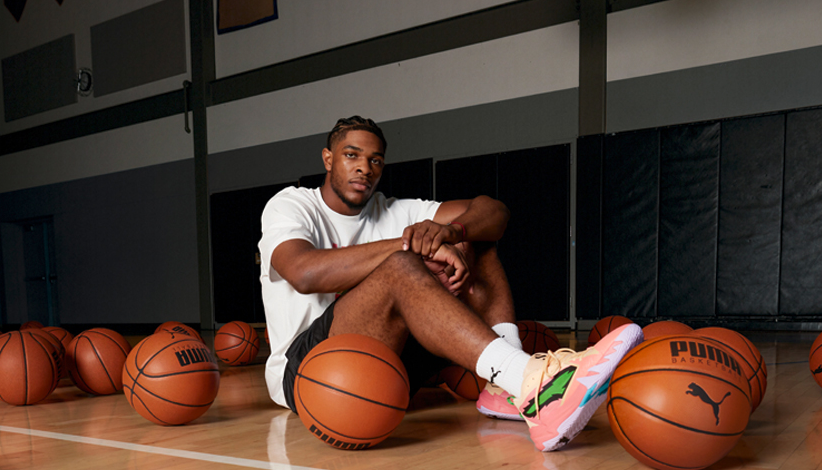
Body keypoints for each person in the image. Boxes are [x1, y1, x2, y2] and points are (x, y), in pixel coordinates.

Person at [258, 116, 642, 452]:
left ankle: (507, 388)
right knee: (402, 264)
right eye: (351, 155)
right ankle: (531, 381)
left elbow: (494, 211)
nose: (364, 168)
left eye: (375, 160)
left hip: (388, 361)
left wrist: (452, 232)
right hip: (308, 370)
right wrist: (414, 245)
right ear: (328, 159)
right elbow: (304, 273)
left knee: (474, 235)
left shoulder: (394, 210)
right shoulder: (293, 205)